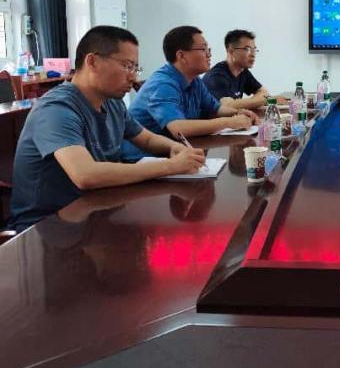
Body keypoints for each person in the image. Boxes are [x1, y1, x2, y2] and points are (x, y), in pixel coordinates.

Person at [8, 26, 206, 232]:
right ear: (92, 61)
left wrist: (174, 147)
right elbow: (86, 175)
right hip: (46, 228)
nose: (133, 77)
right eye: (127, 66)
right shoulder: (56, 109)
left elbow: (146, 138)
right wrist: (172, 166)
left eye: (135, 68)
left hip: (94, 211)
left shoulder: (112, 103)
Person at [125, 26, 258, 160]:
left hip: (178, 151)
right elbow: (179, 129)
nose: (209, 54)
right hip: (141, 160)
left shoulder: (194, 80)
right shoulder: (163, 84)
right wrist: (229, 122)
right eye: (203, 49)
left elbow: (215, 108)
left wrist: (238, 113)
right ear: (181, 56)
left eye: (208, 49)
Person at [203, 29, 287, 109]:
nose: (253, 55)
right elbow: (228, 106)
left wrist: (258, 100)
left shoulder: (243, 71)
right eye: (247, 49)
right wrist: (267, 100)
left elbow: (264, 92)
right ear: (231, 51)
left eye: (254, 50)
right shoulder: (216, 76)